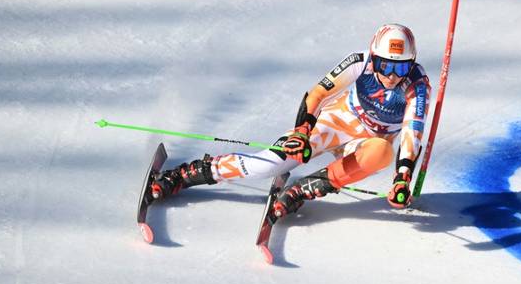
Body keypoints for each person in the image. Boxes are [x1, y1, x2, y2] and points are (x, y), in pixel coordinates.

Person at [147, 23, 430, 220]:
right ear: (375, 57)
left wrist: (402, 177)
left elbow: (411, 134)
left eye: (401, 66)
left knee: (381, 153)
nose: (392, 74)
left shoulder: (417, 86)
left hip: (366, 142)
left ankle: (303, 189)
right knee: (267, 166)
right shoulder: (360, 61)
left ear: (412, 63)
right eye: (385, 65)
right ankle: (189, 173)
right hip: (337, 121)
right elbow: (317, 93)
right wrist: (302, 132)